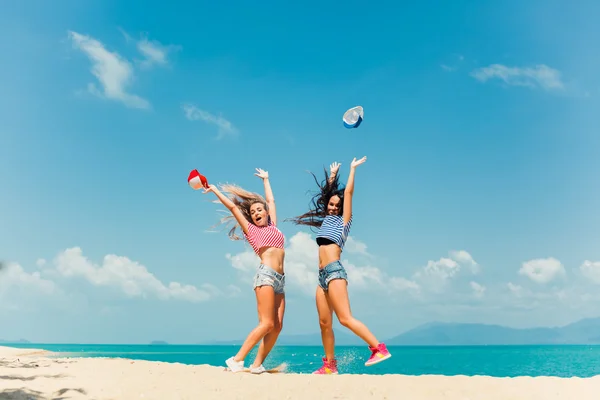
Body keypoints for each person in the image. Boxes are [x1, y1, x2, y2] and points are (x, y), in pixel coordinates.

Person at [289, 156, 391, 374]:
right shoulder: (327, 218)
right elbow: (327, 193)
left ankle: (378, 348)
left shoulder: (344, 221)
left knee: (345, 318)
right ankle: (329, 366)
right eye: (331, 204)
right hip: (321, 277)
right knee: (324, 323)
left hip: (335, 272)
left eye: (337, 205)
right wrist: (333, 176)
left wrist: (352, 170)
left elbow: (350, 194)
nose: (334, 207)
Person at [203, 168, 286, 374]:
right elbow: (233, 207)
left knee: (277, 327)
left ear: (266, 212)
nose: (257, 213)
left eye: (260, 210)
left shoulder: (273, 226)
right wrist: (214, 190)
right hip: (265, 276)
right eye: (253, 212)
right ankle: (237, 360)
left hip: (280, 280)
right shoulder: (252, 231)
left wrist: (266, 179)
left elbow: (271, 201)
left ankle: (257, 365)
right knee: (266, 323)